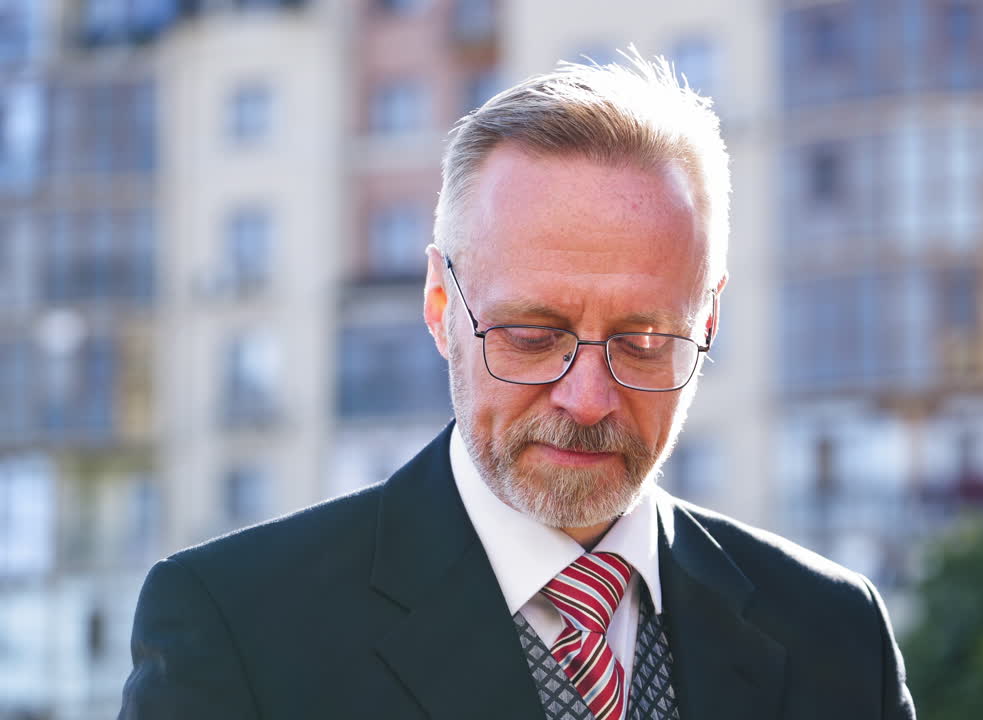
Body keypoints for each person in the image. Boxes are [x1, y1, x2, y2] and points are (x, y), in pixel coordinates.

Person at [118, 54, 915, 720]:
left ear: (708, 323)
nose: (589, 398)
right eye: (533, 336)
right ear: (440, 305)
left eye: (644, 342)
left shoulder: (837, 635)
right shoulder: (236, 625)